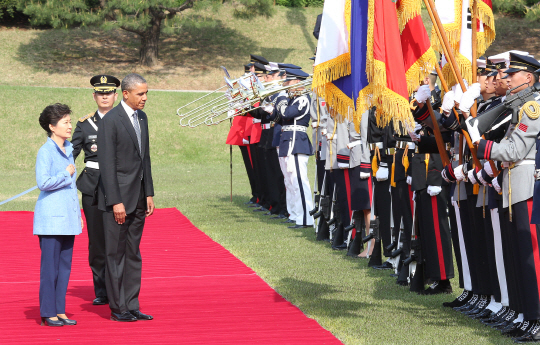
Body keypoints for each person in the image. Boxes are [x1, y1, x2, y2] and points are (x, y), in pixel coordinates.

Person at [97, 73, 155, 322]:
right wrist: (115, 200)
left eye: (146, 93)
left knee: (133, 253)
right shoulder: (111, 120)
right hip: (118, 201)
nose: (144, 98)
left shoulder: (142, 117)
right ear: (126, 94)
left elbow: (146, 158)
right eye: (140, 94)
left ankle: (132, 304)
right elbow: (107, 164)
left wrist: (149, 191)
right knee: (115, 254)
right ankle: (118, 308)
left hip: (139, 198)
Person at [72, 74, 120, 306]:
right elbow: (71, 153)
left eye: (108, 92)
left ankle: (119, 288)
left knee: (119, 239)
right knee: (97, 241)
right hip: (93, 185)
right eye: (100, 93)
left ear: (116, 95)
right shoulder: (84, 124)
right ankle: (101, 289)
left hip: (120, 187)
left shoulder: (124, 119)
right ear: (94, 96)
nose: (104, 96)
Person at [34, 103, 83, 326]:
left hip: (68, 218)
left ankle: (60, 310)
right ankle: (47, 312)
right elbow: (43, 182)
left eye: (70, 121)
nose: (70, 126)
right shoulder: (45, 152)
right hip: (51, 220)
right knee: (50, 268)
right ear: (52, 127)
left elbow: (71, 188)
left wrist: (77, 212)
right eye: (65, 122)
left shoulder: (69, 149)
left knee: (64, 267)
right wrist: (65, 174)